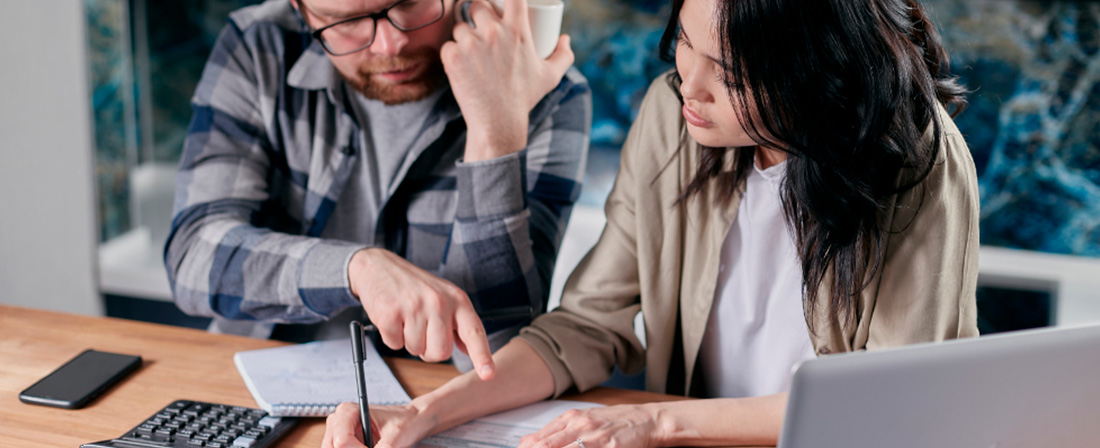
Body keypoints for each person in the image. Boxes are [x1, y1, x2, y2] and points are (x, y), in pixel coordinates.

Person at [322, 0, 981, 445]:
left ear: (817, 75)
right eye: (684, 48)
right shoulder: (672, 117)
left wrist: (658, 423)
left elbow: (893, 404)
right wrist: (425, 414)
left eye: (726, 75)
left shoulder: (919, 159)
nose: (687, 85)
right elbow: (585, 324)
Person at [164, 0, 591, 379]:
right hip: (256, 373)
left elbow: (497, 355)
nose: (390, 45)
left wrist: (495, 136)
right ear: (299, 9)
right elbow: (192, 257)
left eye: (408, 5)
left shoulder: (547, 88)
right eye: (345, 22)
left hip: (440, 404)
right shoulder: (259, 46)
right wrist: (355, 270)